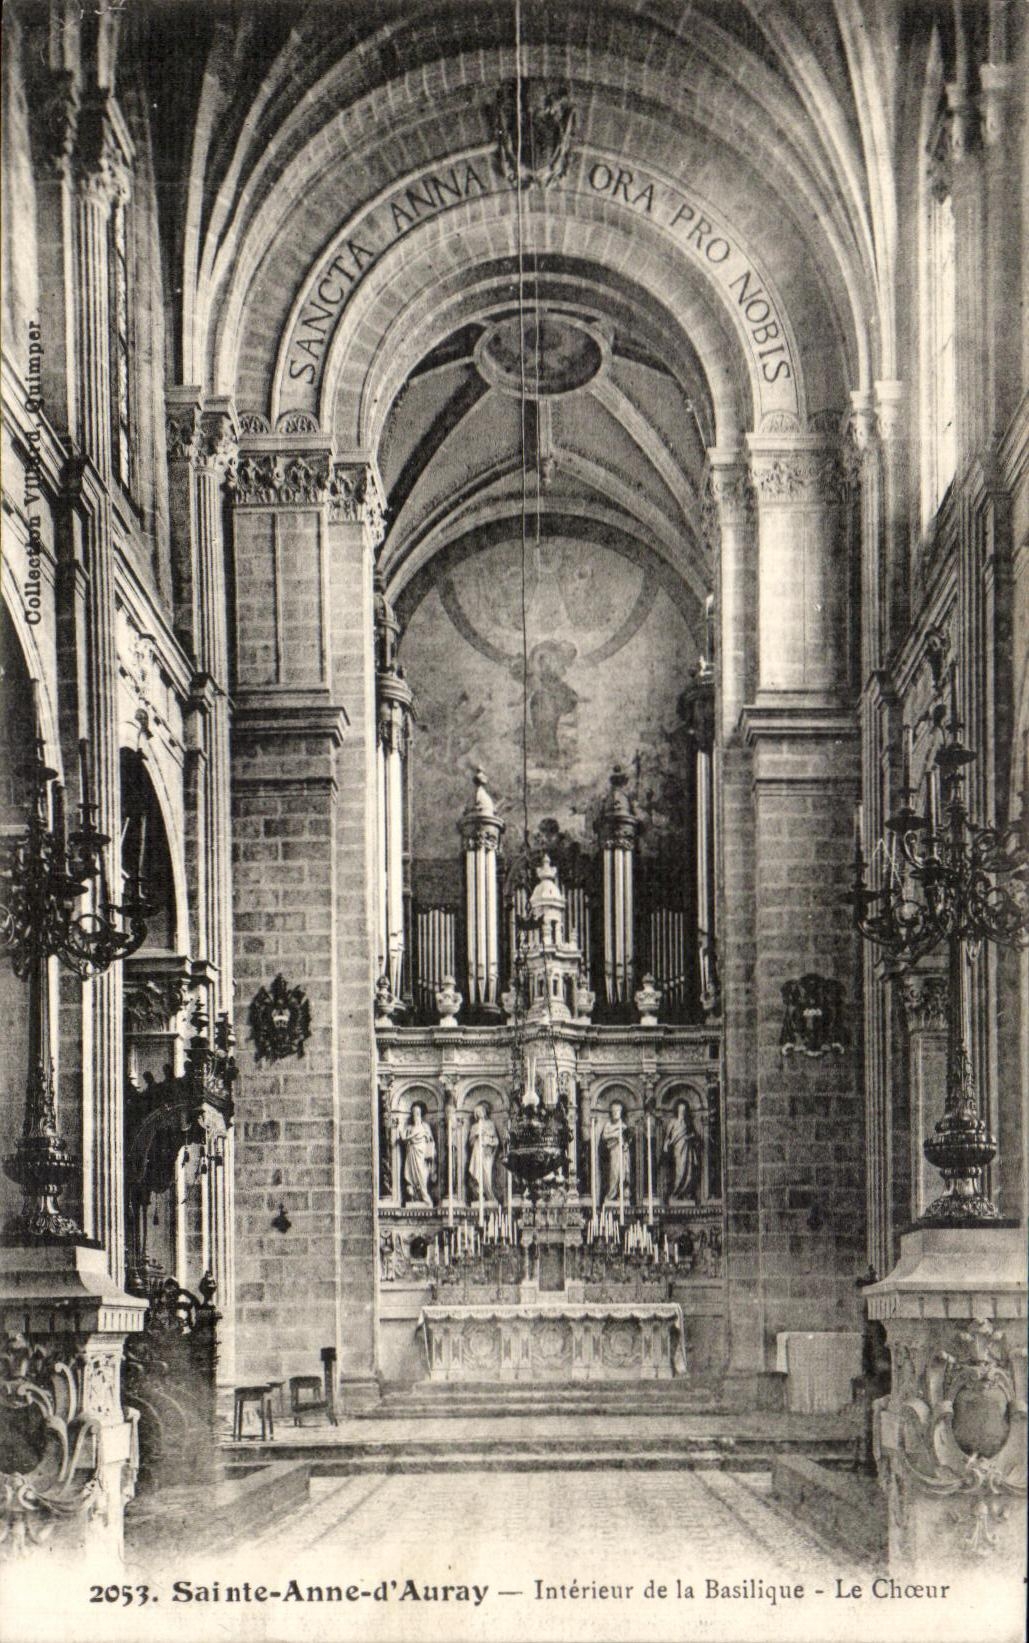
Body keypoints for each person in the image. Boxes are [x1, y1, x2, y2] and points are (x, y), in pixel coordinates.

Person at [663, 1098, 702, 1202]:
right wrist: (666, 1145)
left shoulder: (688, 1123)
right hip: (677, 1149)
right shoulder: (673, 1122)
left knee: (688, 1171)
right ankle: (676, 1193)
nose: (682, 1112)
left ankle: (685, 1193)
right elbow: (667, 1137)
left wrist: (690, 1137)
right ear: (677, 1110)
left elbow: (695, 1135)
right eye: (680, 1110)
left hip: (687, 1149)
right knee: (679, 1170)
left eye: (684, 1110)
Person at [401, 1102, 436, 1206]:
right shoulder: (409, 1128)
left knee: (423, 1174)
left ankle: (424, 1196)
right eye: (414, 1113)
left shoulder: (425, 1126)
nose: (415, 1115)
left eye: (418, 1113)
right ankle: (415, 1197)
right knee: (411, 1176)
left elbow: (430, 1140)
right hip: (412, 1153)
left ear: (421, 1114)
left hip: (422, 1154)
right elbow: (403, 1137)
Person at [599, 1099, 632, 1206]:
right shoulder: (608, 1125)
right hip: (613, 1153)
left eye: (617, 1111)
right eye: (613, 1111)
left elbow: (628, 1140)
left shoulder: (624, 1126)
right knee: (613, 1174)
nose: (615, 1113)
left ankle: (622, 1195)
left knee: (623, 1173)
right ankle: (611, 1195)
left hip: (623, 1153)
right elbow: (604, 1136)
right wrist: (616, 1134)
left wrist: (625, 1143)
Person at [466, 1102, 500, 1204]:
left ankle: (489, 1195)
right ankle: (479, 1195)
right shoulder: (474, 1126)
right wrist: (476, 1135)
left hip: (486, 1152)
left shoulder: (490, 1124)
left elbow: (496, 1140)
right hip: (477, 1151)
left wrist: (488, 1142)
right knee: (477, 1172)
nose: (479, 1113)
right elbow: (470, 1142)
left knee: (486, 1173)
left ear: (484, 1112)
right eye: (477, 1112)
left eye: (481, 1111)